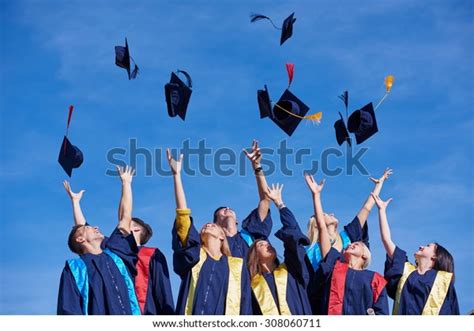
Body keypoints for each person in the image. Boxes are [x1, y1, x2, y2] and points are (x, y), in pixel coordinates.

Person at [168, 149, 252, 315]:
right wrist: (176, 176)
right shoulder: (194, 256)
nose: (207, 225)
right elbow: (183, 217)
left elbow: (245, 305)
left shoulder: (237, 266)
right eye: (204, 226)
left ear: (222, 236)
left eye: (212, 225)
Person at [305, 168, 392, 314]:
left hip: (349, 290)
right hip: (325, 298)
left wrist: (378, 186)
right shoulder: (311, 251)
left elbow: (366, 209)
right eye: (325, 213)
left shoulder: (346, 237)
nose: (331, 213)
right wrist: (316, 195)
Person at [57, 166, 140, 315]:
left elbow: (125, 219)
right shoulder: (75, 269)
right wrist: (75, 204)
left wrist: (126, 183)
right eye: (88, 228)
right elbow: (69, 311)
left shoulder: (116, 256)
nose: (95, 227)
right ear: (80, 239)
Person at [372, 193, 460, 315]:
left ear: (435, 256)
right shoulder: (405, 270)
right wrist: (382, 210)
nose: (421, 246)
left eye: (428, 246)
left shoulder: (443, 281)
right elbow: (387, 240)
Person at [247, 183, 312, 315]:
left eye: (267, 243)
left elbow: (293, 232)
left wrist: (279, 203)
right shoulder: (251, 284)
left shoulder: (290, 271)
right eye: (261, 244)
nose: (267, 244)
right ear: (254, 255)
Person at [117, 167, 174, 314]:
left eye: (128, 222)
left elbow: (163, 292)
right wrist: (125, 184)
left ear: (135, 230)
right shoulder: (113, 252)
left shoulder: (152, 255)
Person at [212, 140, 273, 259]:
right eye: (222, 209)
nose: (227, 208)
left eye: (229, 208)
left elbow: (265, 199)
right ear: (216, 223)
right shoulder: (214, 244)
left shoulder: (251, 235)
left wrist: (257, 166)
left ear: (237, 221)